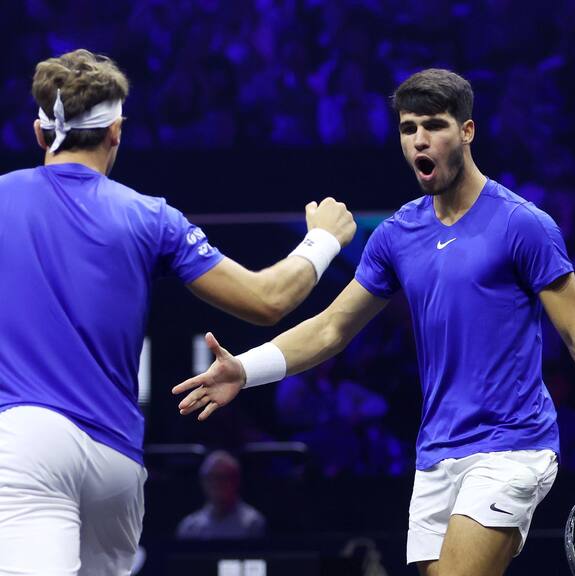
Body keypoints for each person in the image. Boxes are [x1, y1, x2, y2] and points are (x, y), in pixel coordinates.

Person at [174, 68, 575, 576]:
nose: (420, 140)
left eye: (434, 125)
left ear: (466, 132)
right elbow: (332, 327)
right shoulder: (397, 234)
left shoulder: (524, 225)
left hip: (511, 447)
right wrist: (245, 370)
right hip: (435, 456)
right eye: (408, 129)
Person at [0, 49, 355, 576]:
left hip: (28, 441)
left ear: (38, 132)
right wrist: (322, 241)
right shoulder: (152, 216)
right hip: (116, 460)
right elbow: (267, 300)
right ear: (116, 132)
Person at [176, 450, 266, 540]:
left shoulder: (252, 523)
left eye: (222, 477)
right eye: (211, 478)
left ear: (235, 480)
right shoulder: (190, 527)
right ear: (202, 482)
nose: (216, 484)